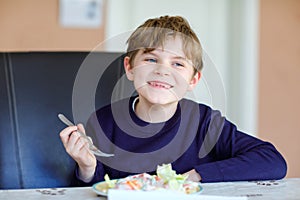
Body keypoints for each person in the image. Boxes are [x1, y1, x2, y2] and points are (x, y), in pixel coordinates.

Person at [59, 15, 287, 186]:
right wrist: (87, 167)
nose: (162, 71)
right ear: (129, 68)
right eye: (150, 59)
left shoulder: (204, 122)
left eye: (177, 64)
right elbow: (93, 186)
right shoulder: (103, 122)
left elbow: (273, 161)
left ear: (193, 79)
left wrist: (196, 175)